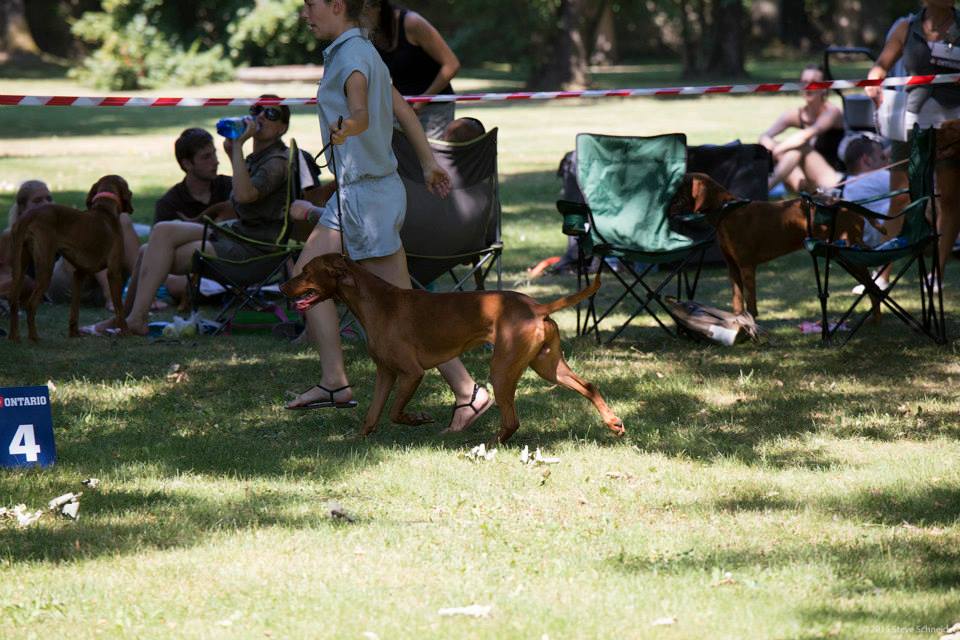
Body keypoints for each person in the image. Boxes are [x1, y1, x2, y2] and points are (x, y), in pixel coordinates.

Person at [287, 0, 493, 433]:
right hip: (359, 194)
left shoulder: (353, 58)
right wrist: (428, 163)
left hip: (368, 199)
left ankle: (468, 391)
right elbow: (401, 111)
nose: (306, 15)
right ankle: (333, 382)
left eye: (311, 5)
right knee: (307, 270)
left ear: (337, 5)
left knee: (401, 308)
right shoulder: (362, 49)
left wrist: (354, 126)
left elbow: (361, 109)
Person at [83, 97, 291, 336]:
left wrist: (237, 150)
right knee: (156, 237)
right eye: (257, 110)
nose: (262, 116)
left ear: (282, 128)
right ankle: (125, 319)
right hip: (237, 235)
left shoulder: (277, 162)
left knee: (153, 247)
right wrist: (237, 152)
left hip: (252, 251)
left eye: (271, 114)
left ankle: (133, 319)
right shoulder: (260, 159)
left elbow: (243, 196)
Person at [866, 0, 960, 286]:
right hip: (909, 119)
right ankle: (882, 274)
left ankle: (937, 273)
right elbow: (882, 64)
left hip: (952, 123)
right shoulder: (906, 27)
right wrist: (874, 79)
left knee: (950, 198)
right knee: (899, 196)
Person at [366, 0, 460, 139]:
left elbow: (452, 65)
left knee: (431, 159)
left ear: (377, 7)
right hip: (401, 110)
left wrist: (421, 101)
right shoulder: (370, 32)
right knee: (400, 159)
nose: (356, 18)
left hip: (434, 111)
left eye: (360, 11)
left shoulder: (412, 22)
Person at [760, 65, 845, 194]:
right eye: (804, 82)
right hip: (804, 183)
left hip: (832, 182)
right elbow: (764, 136)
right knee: (787, 148)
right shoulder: (796, 114)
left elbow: (804, 136)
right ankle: (764, 189)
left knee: (800, 146)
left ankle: (763, 189)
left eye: (813, 83)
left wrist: (777, 150)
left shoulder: (832, 112)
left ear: (824, 88)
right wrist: (773, 148)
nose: (808, 87)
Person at [154, 128, 234, 224]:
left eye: (214, 154)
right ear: (187, 164)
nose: (216, 162)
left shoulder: (231, 187)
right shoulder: (170, 204)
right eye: (206, 157)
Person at [0, 180, 50, 301]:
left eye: (48, 198)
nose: (46, 204)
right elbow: (5, 271)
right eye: (37, 201)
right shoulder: (11, 236)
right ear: (23, 207)